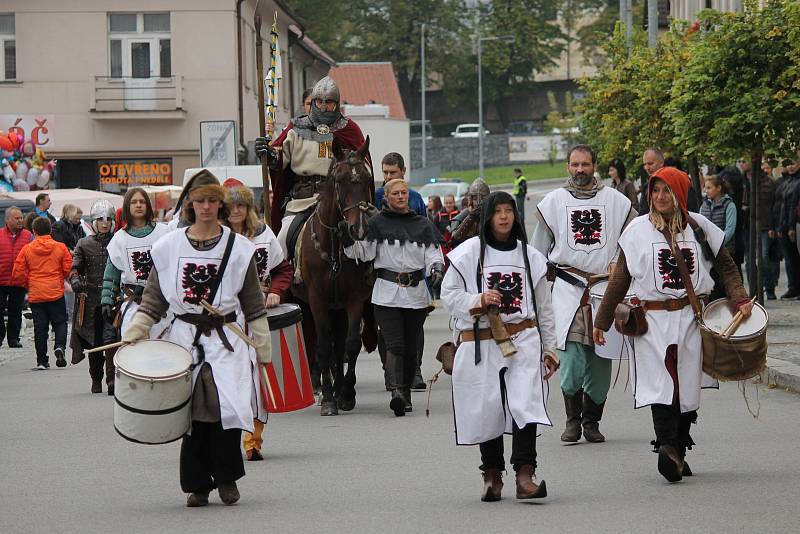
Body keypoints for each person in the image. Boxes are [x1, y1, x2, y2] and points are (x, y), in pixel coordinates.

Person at [593, 166, 752, 483]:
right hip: (652, 320)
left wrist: (740, 299)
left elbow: (727, 267)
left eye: (667, 190)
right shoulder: (637, 230)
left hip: (692, 319)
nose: (660, 196)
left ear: (679, 194)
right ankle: (666, 446)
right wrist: (602, 319)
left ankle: (678, 448)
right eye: (655, 190)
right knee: (660, 386)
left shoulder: (699, 227)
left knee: (687, 387)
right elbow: (620, 279)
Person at [122, 176, 271, 507]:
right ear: (190, 204)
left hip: (226, 340)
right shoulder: (167, 247)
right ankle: (197, 484)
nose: (206, 207)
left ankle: (228, 478)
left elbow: (252, 301)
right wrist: (137, 329)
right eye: (200, 201)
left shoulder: (239, 248)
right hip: (184, 340)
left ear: (221, 204)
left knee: (226, 409)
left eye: (212, 201)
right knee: (191, 414)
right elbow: (154, 299)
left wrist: (262, 343)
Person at [441, 191, 559, 501]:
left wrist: (549, 347)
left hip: (523, 338)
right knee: (487, 407)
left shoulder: (531, 257)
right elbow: (449, 294)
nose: (504, 216)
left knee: (526, 404)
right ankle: (492, 475)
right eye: (498, 211)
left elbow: (544, 307)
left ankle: (525, 474)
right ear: (488, 217)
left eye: (509, 211)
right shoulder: (468, 253)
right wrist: (477, 300)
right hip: (481, 340)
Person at [531, 144, 636, 443]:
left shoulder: (617, 202)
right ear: (567, 166)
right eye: (575, 164)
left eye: (585, 164)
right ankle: (572, 420)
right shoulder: (552, 203)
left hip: (605, 289)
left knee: (601, 360)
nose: (580, 170)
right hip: (567, 290)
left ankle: (592, 422)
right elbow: (538, 254)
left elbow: (634, 242)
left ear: (594, 165)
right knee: (573, 359)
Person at [343, 178, 444, 416]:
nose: (401, 196)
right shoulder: (377, 223)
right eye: (396, 193)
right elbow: (364, 253)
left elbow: (433, 252)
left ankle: (406, 394)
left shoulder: (422, 224)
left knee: (410, 348)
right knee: (395, 344)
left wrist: (436, 268)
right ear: (386, 197)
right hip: (387, 294)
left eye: (404, 193)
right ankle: (397, 392)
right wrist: (348, 242)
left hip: (416, 294)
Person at [224, 181, 293, 462]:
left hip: (256, 316)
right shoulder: (214, 237)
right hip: (225, 318)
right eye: (231, 206)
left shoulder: (264, 234)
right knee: (228, 380)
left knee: (256, 381)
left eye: (241, 204)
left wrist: (276, 291)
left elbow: (282, 269)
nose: (236, 210)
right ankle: (225, 439)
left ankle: (253, 440)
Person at [256, 76, 371, 238]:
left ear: (336, 104)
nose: (323, 107)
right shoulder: (296, 127)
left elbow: (363, 168)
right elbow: (280, 157)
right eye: (319, 102)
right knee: (282, 241)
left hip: (340, 203)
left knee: (364, 246)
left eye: (329, 102)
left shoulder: (349, 129)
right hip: (301, 202)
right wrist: (268, 153)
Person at [101, 188, 171, 343]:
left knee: (164, 354)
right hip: (133, 303)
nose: (138, 205)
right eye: (134, 202)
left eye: (142, 201)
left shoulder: (165, 233)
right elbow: (111, 274)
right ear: (127, 206)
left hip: (163, 305)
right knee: (134, 356)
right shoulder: (119, 239)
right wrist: (107, 300)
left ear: (147, 205)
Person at [69, 200, 120, 394]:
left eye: (108, 219)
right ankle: (96, 378)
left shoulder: (119, 241)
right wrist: (74, 279)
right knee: (94, 340)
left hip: (113, 298)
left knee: (110, 339)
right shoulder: (84, 243)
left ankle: (111, 380)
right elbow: (75, 267)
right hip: (90, 300)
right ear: (94, 222)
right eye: (100, 219)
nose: (105, 223)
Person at [12, 217, 72, 370]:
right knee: (60, 322)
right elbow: (67, 269)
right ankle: (59, 347)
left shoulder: (27, 249)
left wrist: (29, 283)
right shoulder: (60, 247)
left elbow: (17, 273)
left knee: (40, 327)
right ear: (50, 230)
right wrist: (60, 278)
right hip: (55, 292)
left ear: (34, 231)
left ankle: (41, 361)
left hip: (36, 293)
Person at [0, 207, 32, 348]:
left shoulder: (28, 236)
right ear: (8, 220)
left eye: (21, 217)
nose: (20, 220)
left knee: (16, 311)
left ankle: (13, 338)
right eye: (17, 218)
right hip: (1, 279)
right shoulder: (0, 235)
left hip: (19, 280)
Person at [775, 158, 800, 299]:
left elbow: (793, 206)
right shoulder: (787, 181)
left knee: (795, 258)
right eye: (788, 164)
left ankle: (797, 287)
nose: (790, 167)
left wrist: (791, 226)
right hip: (783, 225)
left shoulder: (797, 182)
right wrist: (779, 225)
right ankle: (793, 287)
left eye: (793, 163)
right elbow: (781, 206)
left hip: (793, 225)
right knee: (790, 259)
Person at [374, 152, 427, 216]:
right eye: (385, 172)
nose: (388, 177)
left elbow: (424, 224)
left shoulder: (415, 198)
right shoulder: (376, 196)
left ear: (403, 171)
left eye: (392, 172)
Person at [758, 160, 779, 300]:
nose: (765, 170)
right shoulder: (748, 181)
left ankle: (769, 287)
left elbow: (774, 206)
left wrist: (773, 226)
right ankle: (757, 289)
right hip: (751, 226)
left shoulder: (771, 183)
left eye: (768, 167)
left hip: (766, 225)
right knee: (752, 261)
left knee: (765, 257)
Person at [450, 178, 491, 248]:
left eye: (483, 198)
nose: (479, 202)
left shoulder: (492, 215)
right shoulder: (462, 216)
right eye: (475, 199)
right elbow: (454, 240)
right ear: (471, 200)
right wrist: (471, 217)